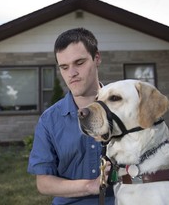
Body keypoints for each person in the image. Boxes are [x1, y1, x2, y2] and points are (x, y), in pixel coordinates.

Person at [28, 28, 115, 205]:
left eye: (79, 63)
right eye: (64, 67)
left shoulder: (123, 107)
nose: (71, 73)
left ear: (96, 58)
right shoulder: (49, 120)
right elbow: (44, 183)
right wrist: (90, 186)